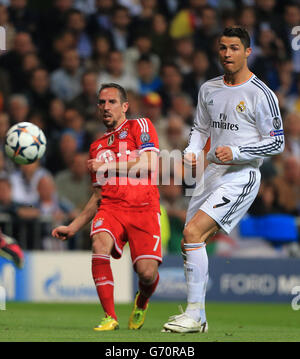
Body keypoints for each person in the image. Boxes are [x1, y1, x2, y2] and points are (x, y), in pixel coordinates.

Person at [162, 26, 285, 334]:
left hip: (241, 175)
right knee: (192, 242)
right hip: (210, 174)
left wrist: (237, 151)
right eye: (222, 48)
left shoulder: (261, 95)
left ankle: (193, 314)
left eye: (234, 48)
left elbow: (277, 142)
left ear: (247, 52)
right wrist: (192, 150)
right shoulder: (209, 89)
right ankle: (198, 317)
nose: (227, 53)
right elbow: (200, 129)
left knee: (191, 232)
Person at [52, 83, 161, 331]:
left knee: (146, 274)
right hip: (111, 208)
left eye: (112, 102)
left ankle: (142, 301)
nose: (105, 107)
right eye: (101, 102)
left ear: (125, 106)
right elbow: (98, 196)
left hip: (144, 207)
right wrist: (73, 226)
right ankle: (109, 317)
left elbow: (149, 163)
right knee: (99, 243)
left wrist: (109, 167)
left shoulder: (140, 125)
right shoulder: (97, 147)